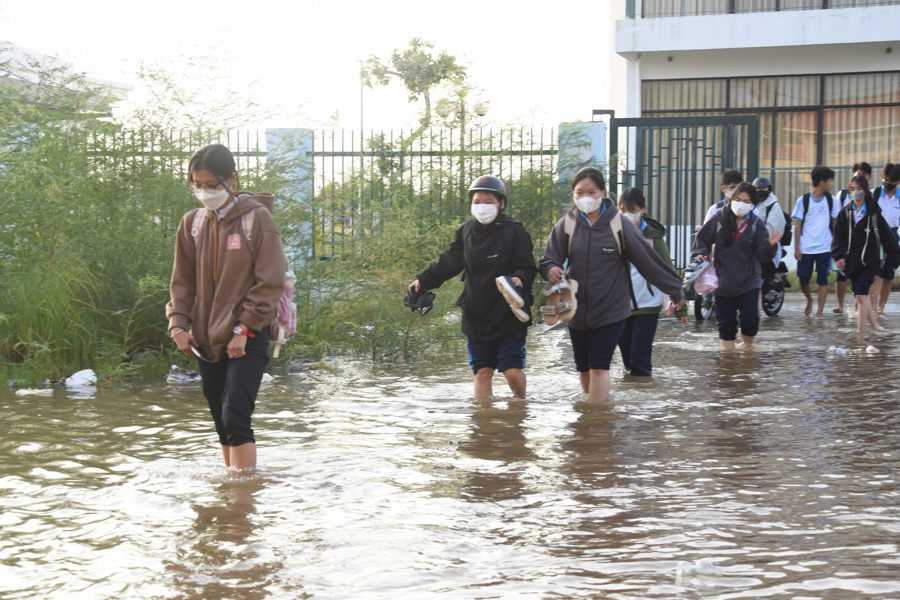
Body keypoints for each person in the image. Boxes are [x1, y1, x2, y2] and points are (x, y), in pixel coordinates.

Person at [167, 144, 286, 470]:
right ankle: (230, 497)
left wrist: (244, 329)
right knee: (220, 418)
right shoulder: (191, 224)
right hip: (205, 338)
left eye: (212, 184)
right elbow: (182, 282)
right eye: (197, 184)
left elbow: (270, 281)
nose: (204, 192)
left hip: (248, 336)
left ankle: (242, 509)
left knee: (235, 416)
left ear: (231, 179)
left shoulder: (256, 219)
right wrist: (178, 324)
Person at [539, 167, 685, 402]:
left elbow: (648, 261)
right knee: (583, 367)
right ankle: (588, 421)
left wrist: (675, 290)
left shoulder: (619, 224)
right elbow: (549, 258)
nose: (585, 197)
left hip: (611, 308)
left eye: (591, 191)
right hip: (576, 309)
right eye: (579, 192)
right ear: (573, 195)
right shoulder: (567, 224)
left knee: (599, 365)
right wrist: (551, 269)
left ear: (603, 192)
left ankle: (598, 423)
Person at [408, 175, 536, 400]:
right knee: (482, 370)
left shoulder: (514, 231)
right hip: (476, 312)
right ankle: (482, 428)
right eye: (477, 202)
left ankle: (520, 410)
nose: (482, 206)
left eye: (488, 201)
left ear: (501, 203)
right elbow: (449, 262)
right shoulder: (466, 231)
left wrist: (519, 278)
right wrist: (423, 280)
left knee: (511, 370)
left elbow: (527, 266)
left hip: (508, 313)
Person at [692, 182, 780, 350]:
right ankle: (728, 360)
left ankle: (747, 352)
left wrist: (770, 245)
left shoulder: (756, 224)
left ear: (753, 204)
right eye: (738, 199)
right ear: (731, 200)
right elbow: (701, 240)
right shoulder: (718, 218)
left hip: (749, 281)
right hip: (723, 281)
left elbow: (763, 255)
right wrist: (699, 255)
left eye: (746, 201)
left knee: (750, 320)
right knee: (725, 324)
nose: (741, 204)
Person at [616, 188, 688, 376]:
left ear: (643, 210)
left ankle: (644, 398)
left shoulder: (653, 237)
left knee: (640, 355)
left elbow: (667, 269)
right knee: (626, 357)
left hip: (648, 303)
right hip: (619, 304)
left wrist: (680, 304)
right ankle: (633, 398)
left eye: (631, 211)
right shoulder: (612, 234)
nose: (626, 215)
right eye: (622, 210)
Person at [831, 175, 900, 333]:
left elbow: (887, 237)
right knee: (859, 296)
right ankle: (875, 325)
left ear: (866, 191)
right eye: (853, 189)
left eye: (859, 189)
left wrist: (895, 258)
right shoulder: (845, 213)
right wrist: (838, 256)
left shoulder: (874, 214)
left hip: (870, 262)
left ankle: (860, 335)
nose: (856, 193)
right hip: (852, 262)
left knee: (861, 297)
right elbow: (838, 236)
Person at [792, 166, 839, 318]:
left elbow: (835, 224)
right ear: (821, 182)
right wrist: (797, 248)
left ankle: (819, 312)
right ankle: (810, 300)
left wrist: (838, 246)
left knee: (822, 279)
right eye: (830, 181)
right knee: (803, 279)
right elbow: (797, 225)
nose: (831, 184)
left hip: (825, 247)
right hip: (806, 248)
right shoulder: (803, 201)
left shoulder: (832, 201)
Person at [834, 162, 874, 313]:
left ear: (868, 178)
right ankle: (840, 304)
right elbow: (837, 221)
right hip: (845, 240)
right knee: (841, 273)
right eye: (856, 176)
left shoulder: (871, 201)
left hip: (863, 244)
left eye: (862, 177)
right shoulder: (842, 196)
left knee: (862, 278)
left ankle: (859, 305)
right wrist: (837, 249)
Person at [868, 163, 900, 315]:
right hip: (875, 237)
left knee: (888, 275)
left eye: (891, 181)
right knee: (875, 274)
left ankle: (881, 308)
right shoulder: (873, 194)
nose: (887, 184)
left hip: (892, 238)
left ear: (898, 181)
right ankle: (873, 309)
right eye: (885, 180)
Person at [752, 176, 786, 315]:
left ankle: (759, 311)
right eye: (758, 189)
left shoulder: (774, 205)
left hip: (768, 245)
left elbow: (773, 227)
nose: (761, 191)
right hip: (750, 244)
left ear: (769, 189)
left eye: (763, 188)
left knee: (757, 275)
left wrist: (758, 236)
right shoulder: (750, 203)